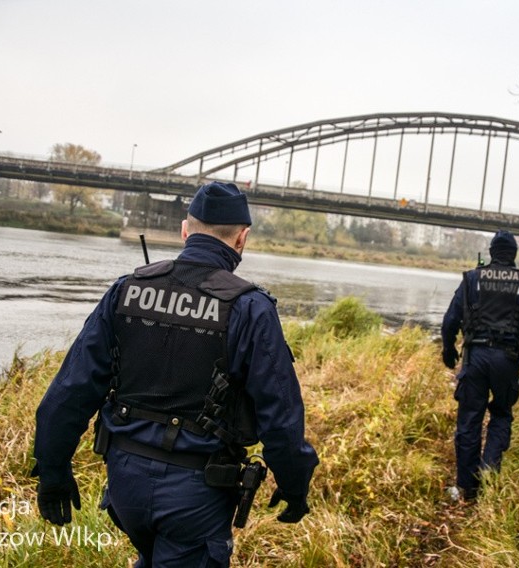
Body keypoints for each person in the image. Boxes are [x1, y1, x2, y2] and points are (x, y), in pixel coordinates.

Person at [32, 181, 319, 567]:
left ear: (185, 231)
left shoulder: (127, 290)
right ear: (242, 238)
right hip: (196, 495)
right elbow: (280, 416)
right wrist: (294, 483)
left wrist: (52, 470)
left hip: (124, 483)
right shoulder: (250, 308)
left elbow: (69, 392)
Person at [440, 229, 519, 501]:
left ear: (490, 253)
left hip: (475, 358)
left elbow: (450, 320)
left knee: (469, 420)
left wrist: (448, 348)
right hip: (507, 361)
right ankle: (488, 475)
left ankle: (467, 488)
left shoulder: (471, 279)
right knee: (501, 414)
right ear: (514, 255)